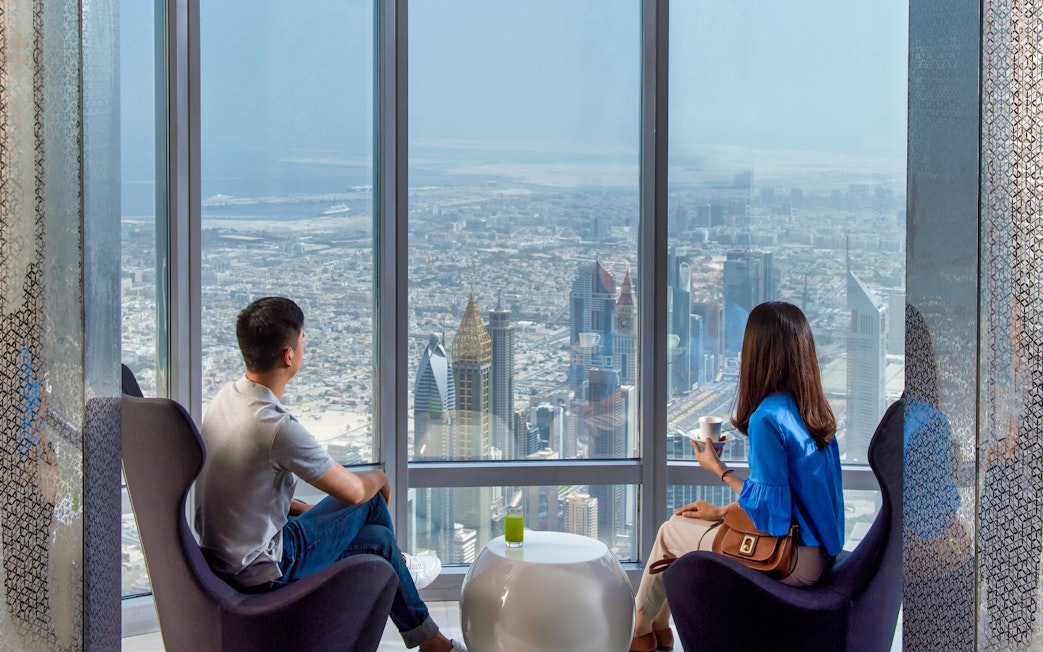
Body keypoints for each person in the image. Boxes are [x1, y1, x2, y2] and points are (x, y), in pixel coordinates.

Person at [194, 297, 466, 652]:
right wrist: (380, 478)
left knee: (378, 542)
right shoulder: (276, 427)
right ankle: (403, 570)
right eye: (303, 338)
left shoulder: (225, 400)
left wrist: (309, 512)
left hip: (228, 559)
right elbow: (354, 493)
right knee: (368, 505)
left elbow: (242, 490)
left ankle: (431, 640)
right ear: (288, 355)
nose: (305, 343)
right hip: (266, 569)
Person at [629, 301, 844, 652]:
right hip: (820, 556)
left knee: (670, 532)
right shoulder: (814, 412)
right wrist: (720, 513)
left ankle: (641, 628)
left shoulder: (766, 418)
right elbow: (793, 504)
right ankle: (658, 626)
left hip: (793, 563)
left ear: (757, 353)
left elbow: (772, 518)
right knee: (684, 528)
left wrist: (720, 470)